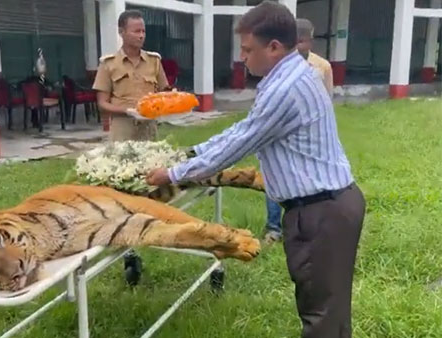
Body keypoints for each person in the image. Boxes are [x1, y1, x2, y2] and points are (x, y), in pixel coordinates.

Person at [145, 2, 365, 337]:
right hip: (324, 209)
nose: (243, 58)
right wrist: (193, 151)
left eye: (248, 50)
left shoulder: (286, 89)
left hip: (322, 212)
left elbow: (240, 144)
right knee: (325, 311)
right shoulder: (288, 77)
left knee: (323, 319)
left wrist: (173, 174)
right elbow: (244, 129)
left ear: (274, 47)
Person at [263, 17, 336, 244]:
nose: (301, 47)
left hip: (305, 137)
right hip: (277, 133)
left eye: (304, 42)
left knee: (303, 180)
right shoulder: (275, 64)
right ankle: (273, 227)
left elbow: (326, 102)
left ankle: (302, 227)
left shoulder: (322, 67)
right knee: (274, 176)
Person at [92, 9, 170, 142]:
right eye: (136, 31)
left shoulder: (154, 61)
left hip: (149, 129)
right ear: (121, 32)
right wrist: (128, 111)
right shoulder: (109, 64)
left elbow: (165, 93)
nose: (141, 36)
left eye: (143, 31)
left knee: (153, 162)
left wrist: (171, 96)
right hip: (122, 130)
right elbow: (102, 103)